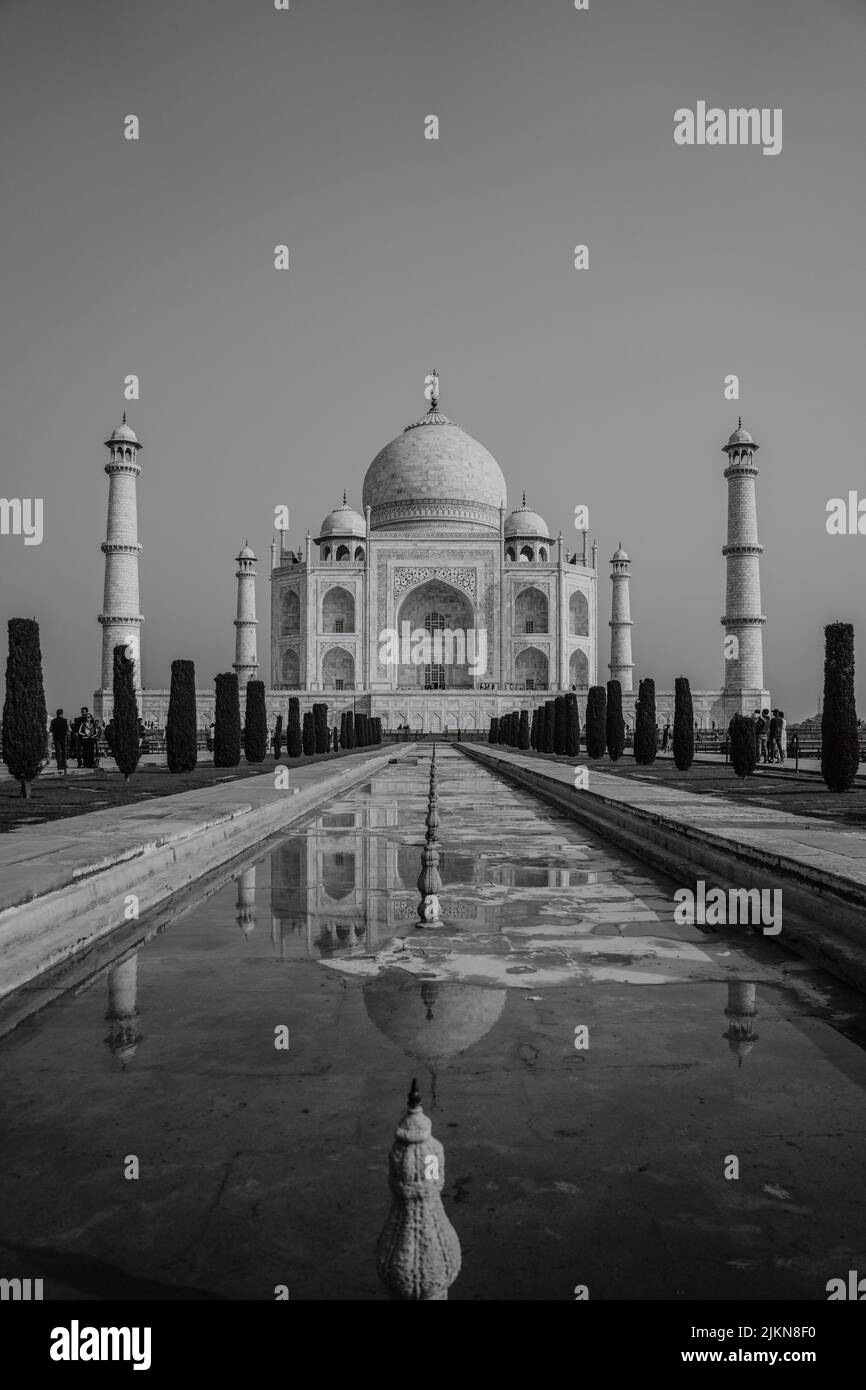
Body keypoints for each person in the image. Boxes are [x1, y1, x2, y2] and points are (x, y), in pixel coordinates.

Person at [49, 708, 69, 774]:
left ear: (57, 714)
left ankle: (59, 765)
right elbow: (68, 730)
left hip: (56, 738)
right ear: (62, 714)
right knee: (64, 752)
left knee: (58, 752)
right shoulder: (65, 720)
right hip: (63, 738)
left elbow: (51, 730)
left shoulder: (53, 721)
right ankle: (64, 764)